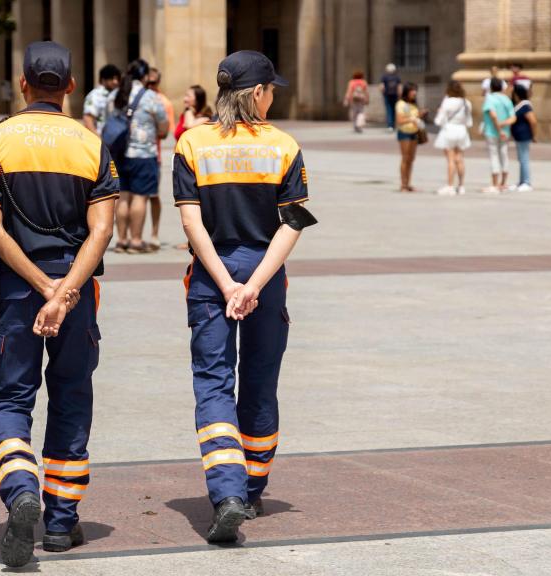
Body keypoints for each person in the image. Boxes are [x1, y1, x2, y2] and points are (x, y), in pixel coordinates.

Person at [0, 41, 118, 567]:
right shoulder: (92, 145)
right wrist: (67, 290)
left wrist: (40, 286)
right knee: (72, 396)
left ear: (24, 83)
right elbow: (102, 230)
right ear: (71, 87)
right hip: (78, 294)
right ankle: (60, 522)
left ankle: (21, 488)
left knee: (10, 400)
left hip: (15, 293)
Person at [172, 50, 316, 544]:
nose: (273, 97)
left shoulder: (193, 143)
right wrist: (253, 285)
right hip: (266, 272)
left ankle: (226, 493)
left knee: (213, 382)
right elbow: (293, 221)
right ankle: (253, 489)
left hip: (212, 275)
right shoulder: (283, 146)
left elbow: (191, 222)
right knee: (259, 378)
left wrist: (227, 283)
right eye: (272, 90)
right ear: (257, 94)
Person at [108, 59, 168, 254]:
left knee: (123, 196)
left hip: (119, 153)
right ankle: (135, 240)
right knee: (140, 197)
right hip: (143, 153)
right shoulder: (151, 97)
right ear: (144, 77)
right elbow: (163, 126)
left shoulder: (116, 94)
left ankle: (121, 240)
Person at [146, 67, 173, 251]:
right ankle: (133, 236)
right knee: (133, 197)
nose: (151, 86)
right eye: (148, 83)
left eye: (154, 83)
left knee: (153, 196)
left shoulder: (163, 102)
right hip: (135, 155)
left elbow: (166, 130)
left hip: (153, 154)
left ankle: (154, 234)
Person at [433, 80, 472, 195]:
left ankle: (450, 185)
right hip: (462, 130)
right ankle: (461, 186)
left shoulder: (447, 102)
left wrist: (439, 112)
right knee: (460, 159)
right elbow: (469, 122)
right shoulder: (466, 102)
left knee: (450, 159)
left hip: (449, 129)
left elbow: (438, 121)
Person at [481, 77, 514, 194]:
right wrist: (504, 125)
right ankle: (503, 183)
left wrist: (498, 129)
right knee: (504, 155)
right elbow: (513, 118)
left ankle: (495, 184)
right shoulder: (506, 99)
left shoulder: (489, 99)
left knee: (494, 156)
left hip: (492, 132)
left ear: (491, 87)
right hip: (505, 132)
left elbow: (493, 115)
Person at [395, 82, 425, 192]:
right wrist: (412, 118)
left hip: (414, 133)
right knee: (405, 158)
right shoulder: (401, 104)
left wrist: (420, 115)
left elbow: (415, 117)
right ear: (406, 92)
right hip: (405, 133)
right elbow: (400, 120)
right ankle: (403, 184)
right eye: (412, 90)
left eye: (415, 90)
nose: (414, 93)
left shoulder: (413, 104)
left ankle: (408, 183)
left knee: (411, 159)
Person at [511, 84, 536, 192]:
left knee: (524, 159)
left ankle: (526, 182)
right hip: (519, 136)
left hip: (524, 135)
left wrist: (534, 135)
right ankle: (522, 181)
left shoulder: (525, 105)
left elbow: (533, 121)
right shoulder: (519, 105)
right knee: (521, 159)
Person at [82, 64, 120, 133]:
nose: (115, 82)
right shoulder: (95, 95)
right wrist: (99, 139)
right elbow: (88, 119)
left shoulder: (114, 94)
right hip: (99, 139)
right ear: (103, 79)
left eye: (117, 79)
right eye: (112, 79)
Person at [379, 63, 402, 132]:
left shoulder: (384, 77)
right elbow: (399, 87)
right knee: (395, 110)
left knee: (389, 110)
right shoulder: (397, 77)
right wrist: (400, 95)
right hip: (395, 95)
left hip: (387, 95)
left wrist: (383, 94)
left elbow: (382, 87)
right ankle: (394, 125)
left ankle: (390, 125)